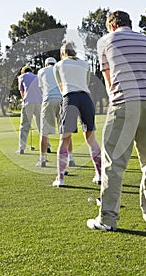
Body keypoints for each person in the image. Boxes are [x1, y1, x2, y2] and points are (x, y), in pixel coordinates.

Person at [87, 10, 146, 231]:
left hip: (124, 103)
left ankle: (108, 219)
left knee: (113, 163)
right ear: (129, 24)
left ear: (111, 26)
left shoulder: (106, 40)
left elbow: (109, 80)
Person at [52, 42, 101, 187]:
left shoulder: (58, 65)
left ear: (63, 53)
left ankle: (60, 178)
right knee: (91, 139)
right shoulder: (85, 64)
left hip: (70, 98)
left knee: (64, 140)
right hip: (86, 98)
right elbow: (86, 83)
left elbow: (60, 86)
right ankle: (99, 175)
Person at [36, 57, 75, 167]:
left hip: (48, 100)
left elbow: (42, 89)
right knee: (66, 131)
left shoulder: (41, 71)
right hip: (63, 100)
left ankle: (42, 160)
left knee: (44, 132)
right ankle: (71, 159)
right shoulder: (60, 69)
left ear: (45, 64)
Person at [16, 65, 42, 154]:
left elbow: (22, 92)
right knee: (41, 125)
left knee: (24, 126)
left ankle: (21, 148)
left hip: (28, 103)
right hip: (39, 102)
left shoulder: (21, 77)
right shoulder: (37, 77)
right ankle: (47, 146)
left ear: (23, 71)